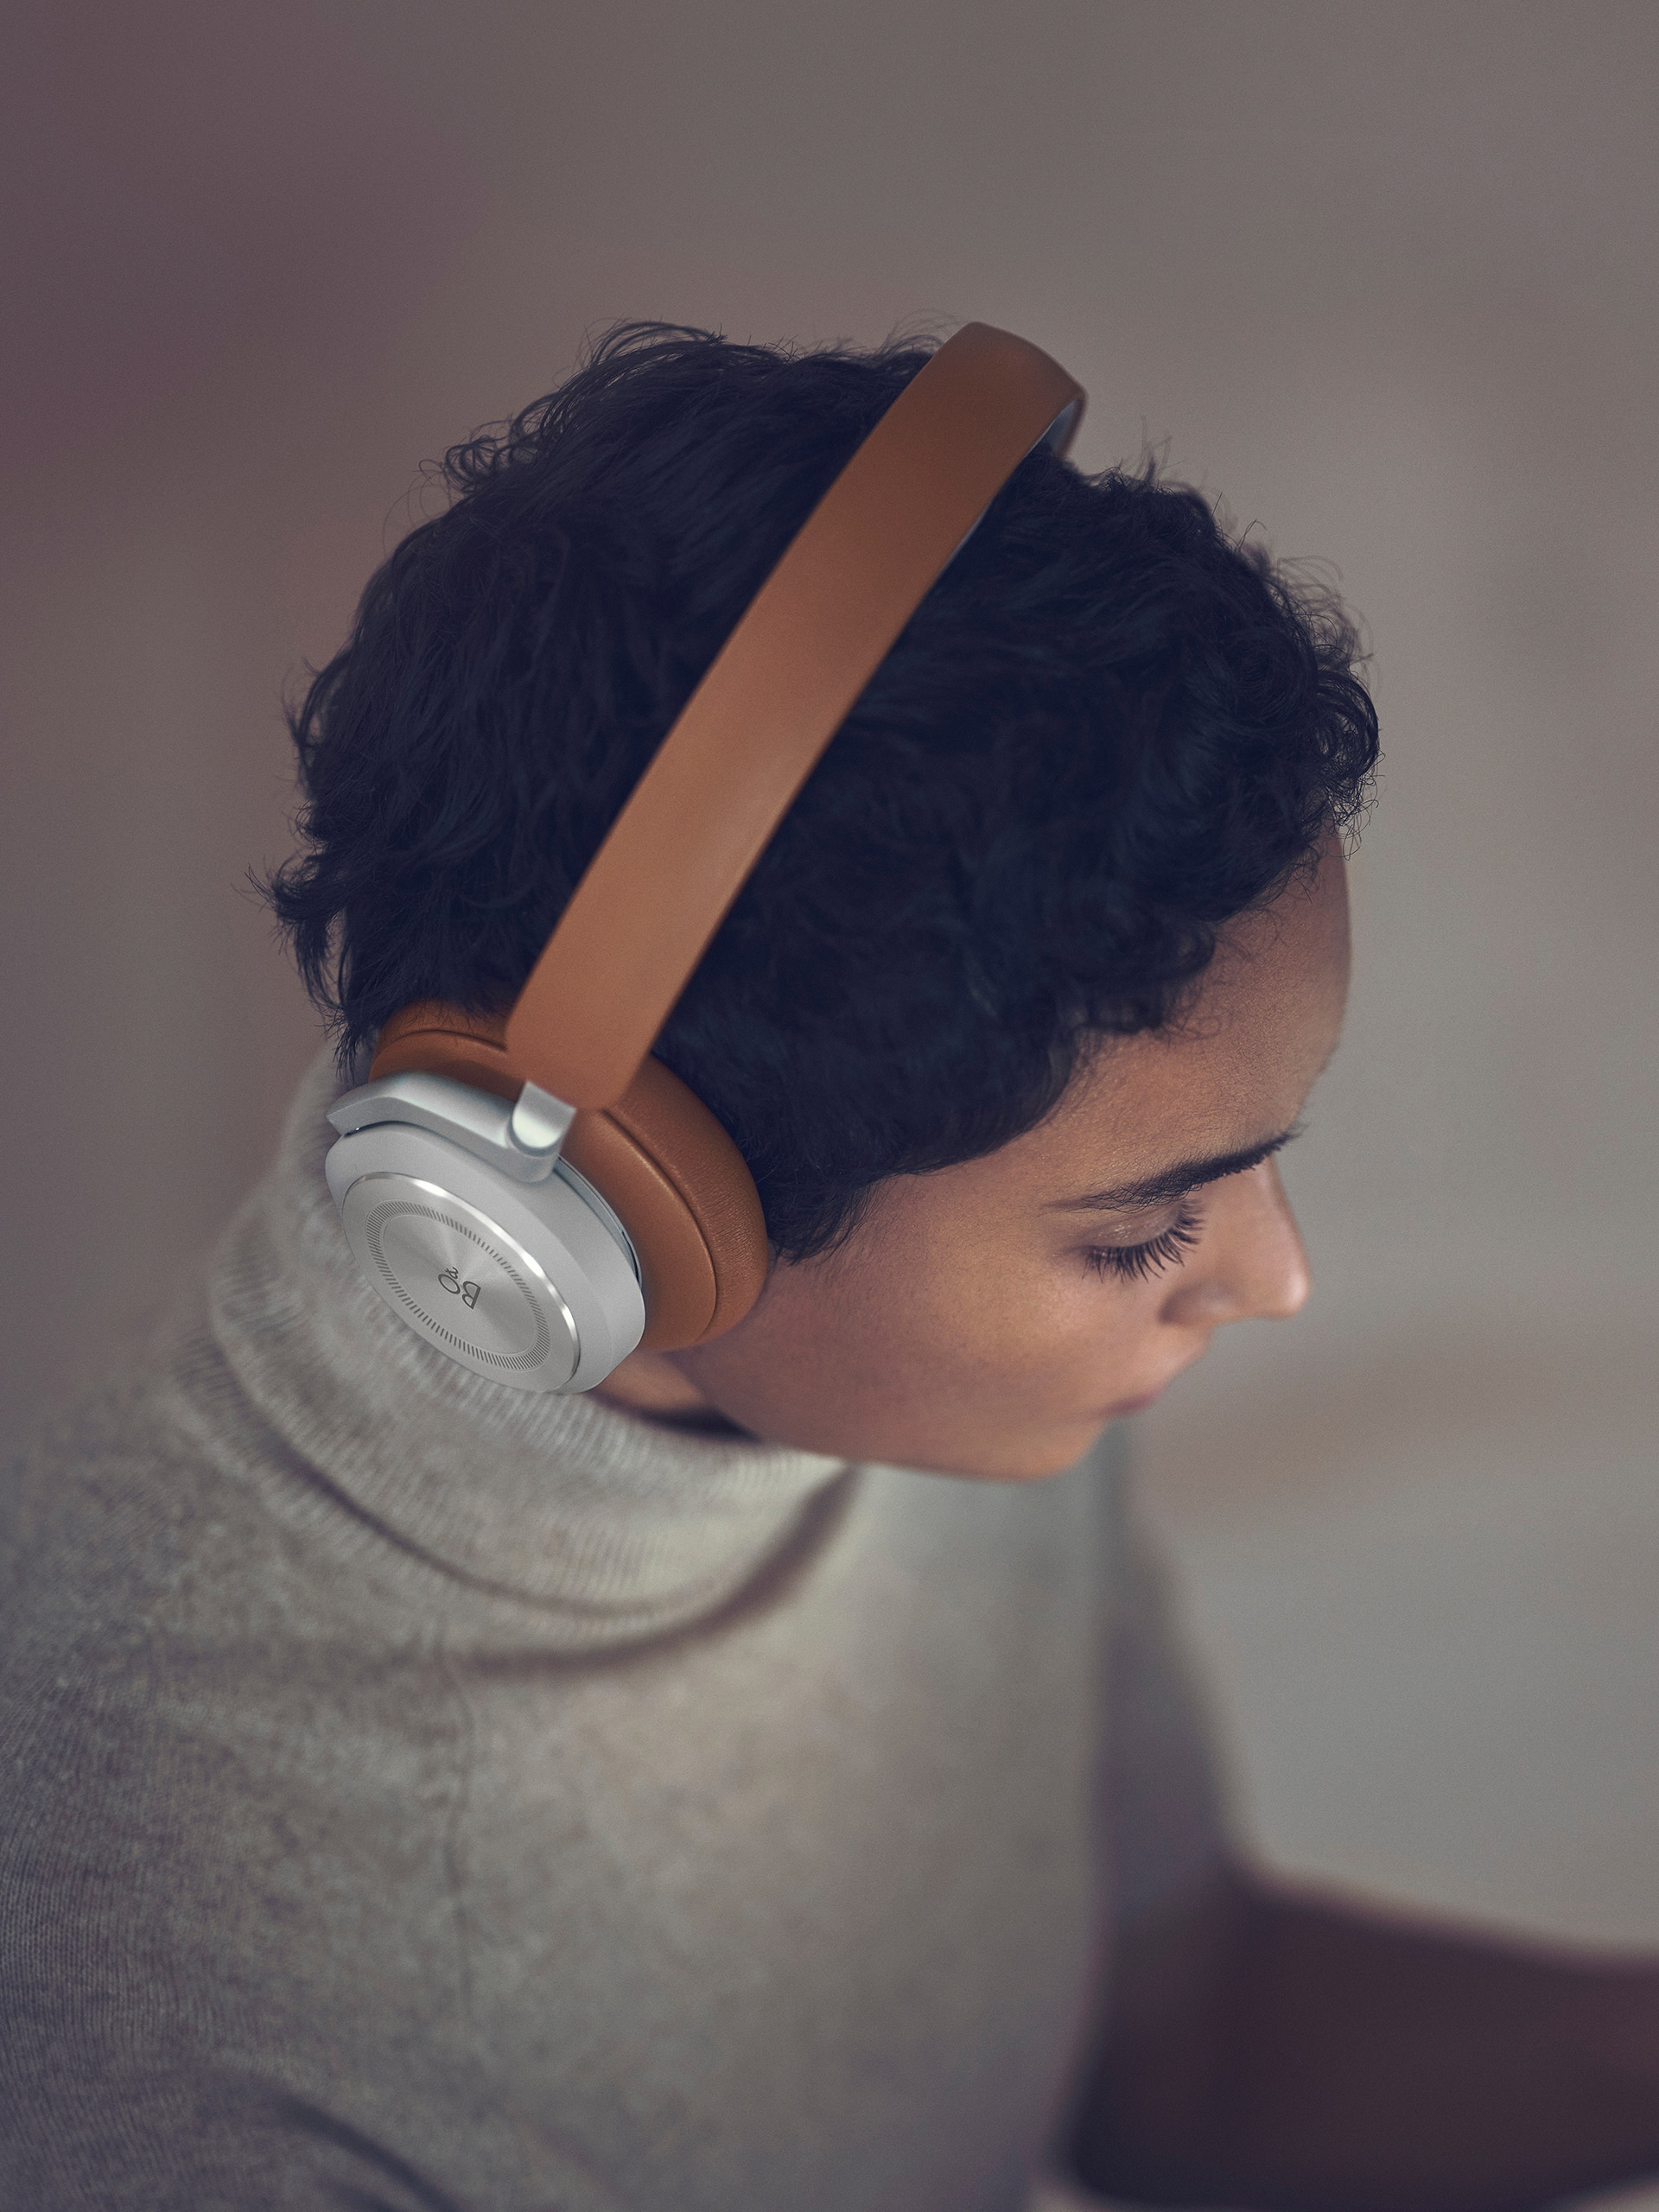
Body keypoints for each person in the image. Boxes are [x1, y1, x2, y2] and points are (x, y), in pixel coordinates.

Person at [1, 323, 1654, 2211]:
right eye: (1141, 1228)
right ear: (619, 1196)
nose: (1269, 1282)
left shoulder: (937, 1375)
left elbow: (1173, 2041)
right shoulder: (148, 1982)